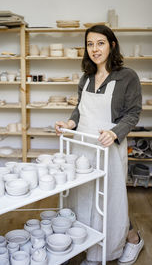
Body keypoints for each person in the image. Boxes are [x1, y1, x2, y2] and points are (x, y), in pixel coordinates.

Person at [55, 25, 144, 265]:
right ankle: (89, 246)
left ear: (112, 45)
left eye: (100, 43)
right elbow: (80, 109)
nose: (95, 49)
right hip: (83, 145)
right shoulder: (85, 77)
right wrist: (70, 122)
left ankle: (128, 240)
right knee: (84, 197)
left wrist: (115, 133)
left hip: (108, 144)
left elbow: (133, 113)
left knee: (110, 201)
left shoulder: (127, 76)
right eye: (90, 44)